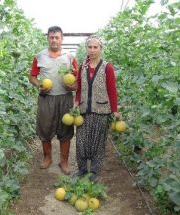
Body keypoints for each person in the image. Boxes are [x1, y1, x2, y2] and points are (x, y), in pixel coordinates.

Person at [29, 26, 78, 175]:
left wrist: (72, 87)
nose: (54, 40)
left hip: (65, 98)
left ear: (62, 39)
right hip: (46, 98)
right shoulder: (39, 56)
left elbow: (77, 80)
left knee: (66, 129)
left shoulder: (70, 57)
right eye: (51, 37)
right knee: (45, 128)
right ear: (48, 38)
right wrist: (39, 85)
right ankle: (47, 158)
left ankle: (63, 161)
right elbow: (32, 77)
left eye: (57, 37)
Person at [74, 35, 121, 182]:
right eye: (90, 47)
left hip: (101, 111)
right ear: (86, 48)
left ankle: (94, 171)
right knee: (81, 142)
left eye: (96, 47)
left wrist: (114, 110)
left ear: (100, 49)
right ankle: (82, 169)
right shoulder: (83, 67)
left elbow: (112, 90)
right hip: (83, 111)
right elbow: (79, 88)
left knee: (98, 143)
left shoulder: (107, 67)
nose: (92, 50)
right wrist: (76, 102)